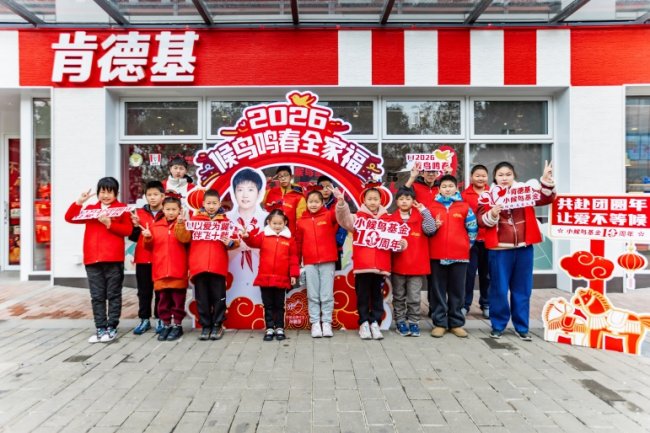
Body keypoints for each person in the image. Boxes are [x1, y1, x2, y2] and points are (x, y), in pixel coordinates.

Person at [478, 161, 555, 341]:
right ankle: (498, 325)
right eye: (500, 175)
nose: (504, 178)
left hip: (523, 248)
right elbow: (481, 220)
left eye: (508, 174)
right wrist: (493, 213)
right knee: (499, 289)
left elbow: (545, 199)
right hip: (499, 249)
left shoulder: (524, 192)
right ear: (495, 177)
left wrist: (545, 180)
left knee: (522, 289)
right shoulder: (488, 196)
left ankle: (522, 327)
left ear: (514, 176)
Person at [65, 177, 132, 343]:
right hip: (92, 259)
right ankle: (100, 328)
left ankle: (112, 327)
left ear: (116, 193)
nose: (106, 195)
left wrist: (110, 223)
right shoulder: (91, 209)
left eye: (110, 192)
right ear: (97, 193)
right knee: (97, 296)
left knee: (113, 294)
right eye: (102, 192)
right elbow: (70, 218)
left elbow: (128, 230)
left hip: (113, 259)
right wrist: (79, 202)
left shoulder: (122, 209)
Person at [334, 184, 405, 340]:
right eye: (370, 199)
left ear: (381, 200)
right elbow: (344, 220)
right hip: (362, 265)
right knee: (363, 295)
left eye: (375, 199)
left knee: (377, 295)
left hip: (381, 266)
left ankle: (375, 323)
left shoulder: (388, 219)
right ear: (364, 201)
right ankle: (364, 323)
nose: (373, 202)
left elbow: (397, 240)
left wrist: (401, 244)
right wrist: (341, 204)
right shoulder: (357, 218)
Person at [176, 189, 239, 341]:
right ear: (203, 203)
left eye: (214, 203)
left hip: (218, 266)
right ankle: (205, 326)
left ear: (219, 204)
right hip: (199, 265)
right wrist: (180, 224)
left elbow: (235, 241)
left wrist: (231, 243)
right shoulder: (194, 220)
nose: (211, 206)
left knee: (219, 298)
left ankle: (217, 325)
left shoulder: (225, 222)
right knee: (202, 299)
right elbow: (183, 238)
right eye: (209, 203)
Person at [428, 175, 477, 339]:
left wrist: (465, 246)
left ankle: (456, 323)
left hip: (460, 256)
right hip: (436, 255)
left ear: (456, 188)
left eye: (450, 186)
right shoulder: (432, 207)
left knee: (457, 290)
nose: (447, 189)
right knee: (438, 290)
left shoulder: (464, 207)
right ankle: (440, 323)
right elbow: (426, 229)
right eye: (444, 186)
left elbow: (472, 229)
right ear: (439, 189)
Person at [242, 209, 300, 341]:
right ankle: (269, 328)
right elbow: (253, 242)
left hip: (281, 278)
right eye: (274, 223)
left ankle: (279, 328)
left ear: (285, 223)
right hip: (265, 277)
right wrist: (247, 236)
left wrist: (293, 275)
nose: (277, 226)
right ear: (268, 222)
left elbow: (293, 258)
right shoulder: (263, 236)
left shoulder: (290, 239)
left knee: (279, 305)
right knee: (268, 305)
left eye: (280, 223)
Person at [388, 187, 436, 337]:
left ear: (413, 201)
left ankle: (414, 322)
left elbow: (431, 229)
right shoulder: (390, 219)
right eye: (401, 199)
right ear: (397, 201)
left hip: (416, 265)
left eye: (408, 199)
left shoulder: (420, 217)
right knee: (398, 296)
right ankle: (400, 321)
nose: (404, 202)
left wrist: (424, 211)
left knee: (414, 297)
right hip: (397, 265)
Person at [142, 195, 190, 342]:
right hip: (161, 270)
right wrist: (147, 237)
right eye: (168, 209)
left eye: (174, 209)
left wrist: (180, 224)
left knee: (178, 301)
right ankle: (166, 324)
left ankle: (177, 325)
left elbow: (185, 239)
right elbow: (148, 247)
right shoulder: (155, 226)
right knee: (163, 301)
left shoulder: (184, 225)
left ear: (180, 210)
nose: (171, 212)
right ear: (163, 210)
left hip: (178, 270)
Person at [296, 187, 338, 338]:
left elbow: (339, 211)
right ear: (306, 203)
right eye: (310, 202)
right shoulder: (301, 222)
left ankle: (326, 323)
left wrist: (339, 199)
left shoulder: (329, 215)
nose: (313, 204)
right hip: (309, 262)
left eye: (316, 202)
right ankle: (315, 323)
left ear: (322, 203)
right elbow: (298, 243)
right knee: (313, 294)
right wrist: (297, 263)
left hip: (328, 260)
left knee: (326, 294)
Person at [226, 168, 268, 308]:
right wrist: (236, 247)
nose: (245, 195)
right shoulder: (225, 219)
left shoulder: (268, 219)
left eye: (250, 189)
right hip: (232, 274)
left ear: (259, 193)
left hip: (260, 273)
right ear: (234, 192)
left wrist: (252, 245)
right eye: (240, 189)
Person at [129, 180, 166, 335]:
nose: (152, 197)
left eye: (155, 194)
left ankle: (160, 319)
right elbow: (132, 237)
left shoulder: (168, 212)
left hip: (161, 258)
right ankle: (144, 319)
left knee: (160, 291)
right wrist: (135, 226)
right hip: (143, 259)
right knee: (144, 291)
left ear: (162, 196)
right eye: (149, 195)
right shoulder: (138, 213)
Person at [461, 165, 491, 319]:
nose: (480, 178)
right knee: (469, 274)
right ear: (471, 177)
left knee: (487, 275)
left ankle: (486, 304)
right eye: (477, 175)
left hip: (489, 241)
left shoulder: (494, 193)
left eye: (483, 175)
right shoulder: (464, 195)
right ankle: (465, 305)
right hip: (470, 242)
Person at [263, 165, 306, 234]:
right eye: (280, 176)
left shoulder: (299, 197)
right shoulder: (270, 192)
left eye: (286, 175)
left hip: (289, 235)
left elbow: (300, 221)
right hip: (271, 235)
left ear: (291, 177)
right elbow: (256, 199)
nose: (283, 179)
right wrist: (265, 183)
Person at [317, 175, 348, 270]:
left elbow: (344, 222)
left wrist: (338, 241)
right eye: (322, 187)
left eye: (328, 186)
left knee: (336, 275)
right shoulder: (313, 205)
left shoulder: (339, 204)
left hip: (335, 247)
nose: (325, 190)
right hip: (318, 248)